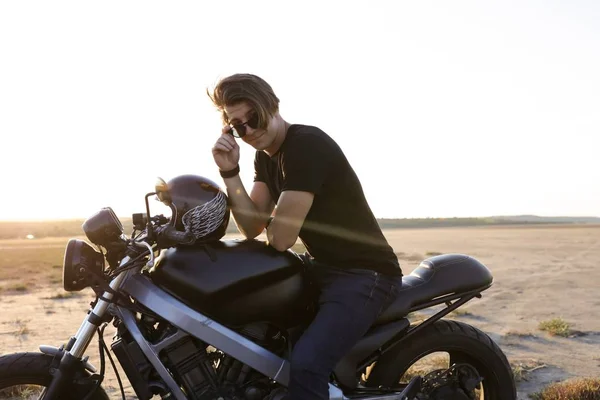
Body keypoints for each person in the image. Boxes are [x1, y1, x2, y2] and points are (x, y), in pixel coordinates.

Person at [208, 73, 403, 400]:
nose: (249, 131)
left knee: (307, 365)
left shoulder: (306, 145)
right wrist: (229, 171)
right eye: (238, 127)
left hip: (365, 275)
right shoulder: (264, 156)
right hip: (323, 267)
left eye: (252, 118)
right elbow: (252, 227)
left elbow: (281, 239)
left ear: (272, 105)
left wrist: (270, 221)